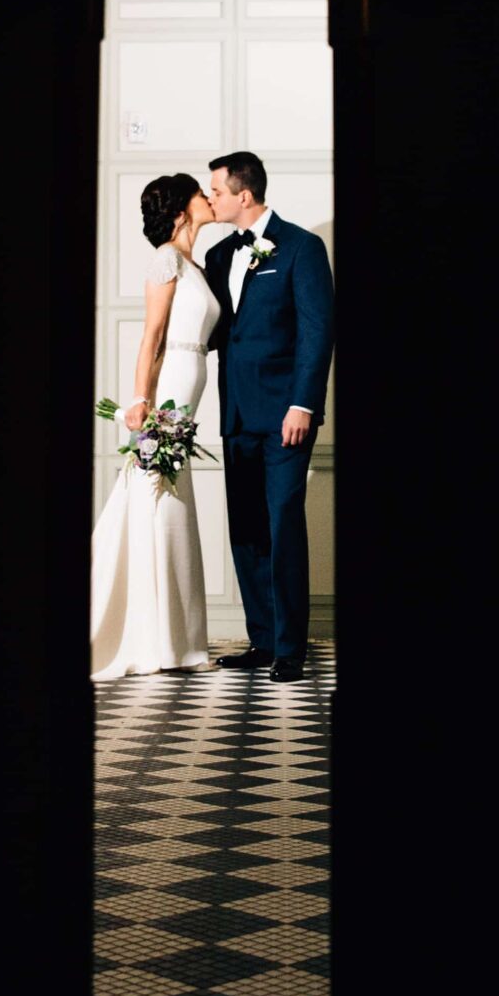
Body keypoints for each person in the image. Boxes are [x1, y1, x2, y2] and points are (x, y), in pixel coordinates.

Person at [201, 151, 334, 684]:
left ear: (244, 194)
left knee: (283, 528)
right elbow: (218, 331)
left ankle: (289, 649)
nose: (210, 199)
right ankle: (262, 640)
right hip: (235, 413)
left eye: (216, 191)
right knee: (248, 530)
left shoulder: (302, 247)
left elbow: (317, 330)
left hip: (285, 416)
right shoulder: (217, 255)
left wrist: (303, 404)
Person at [89, 174, 221, 679]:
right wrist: (140, 400)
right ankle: (155, 638)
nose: (209, 198)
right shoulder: (167, 260)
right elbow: (152, 337)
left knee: (168, 494)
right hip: (170, 389)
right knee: (157, 494)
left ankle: (176, 639)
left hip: (190, 384)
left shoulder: (194, 264)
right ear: (182, 210)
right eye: (200, 194)